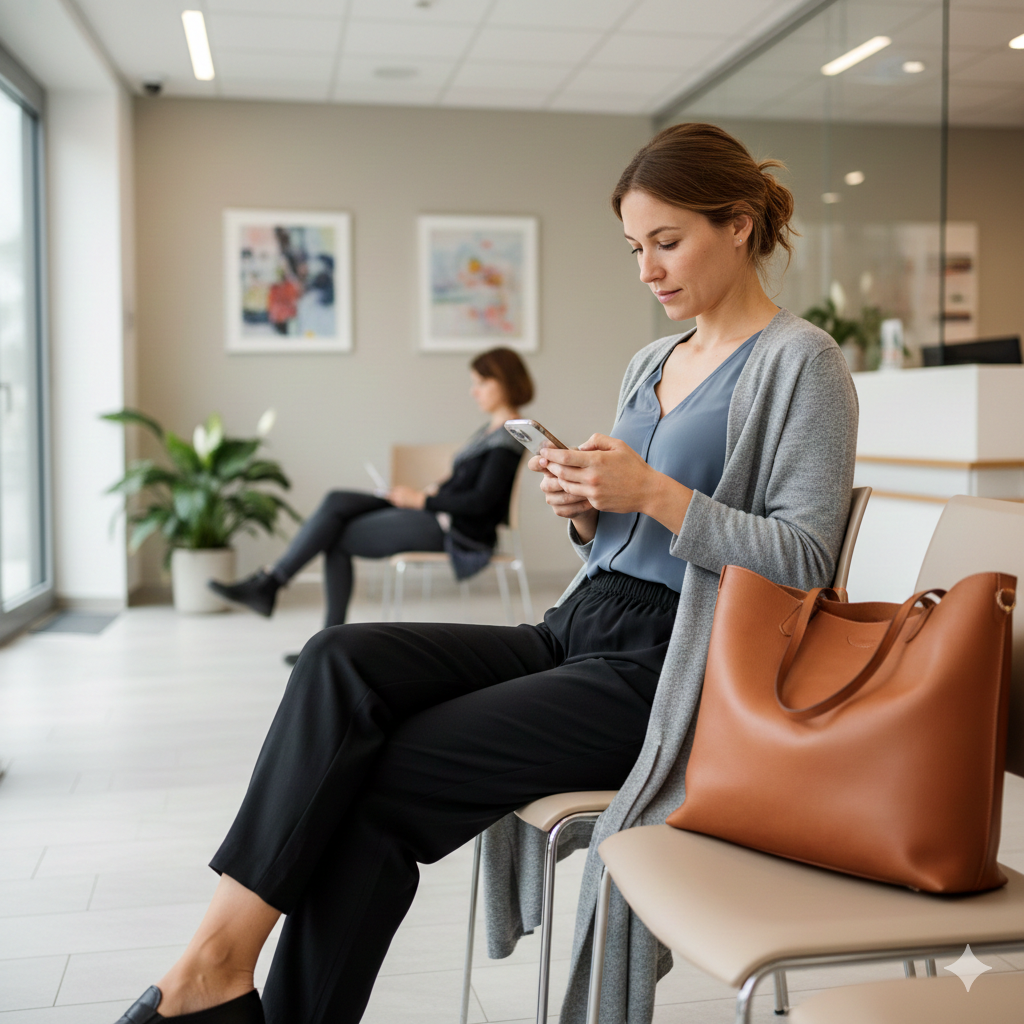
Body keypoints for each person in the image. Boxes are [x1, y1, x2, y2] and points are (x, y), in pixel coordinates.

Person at [115, 123, 858, 1024]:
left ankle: (217, 985)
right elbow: (623, 534)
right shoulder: (651, 361)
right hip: (577, 627)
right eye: (635, 248)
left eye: (668, 242)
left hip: (672, 669)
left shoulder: (803, 363)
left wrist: (656, 493)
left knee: (376, 779)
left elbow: (808, 559)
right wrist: (589, 505)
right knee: (336, 658)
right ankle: (219, 961)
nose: (648, 270)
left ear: (738, 225)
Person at [208, 347, 530, 634]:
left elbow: (483, 502)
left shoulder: (508, 438)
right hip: (438, 513)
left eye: (482, 383)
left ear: (507, 382)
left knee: (335, 535)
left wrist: (422, 499)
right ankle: (274, 586)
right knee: (337, 501)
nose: (474, 391)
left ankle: (278, 591)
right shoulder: (488, 431)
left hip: (456, 531)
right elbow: (466, 482)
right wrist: (431, 491)